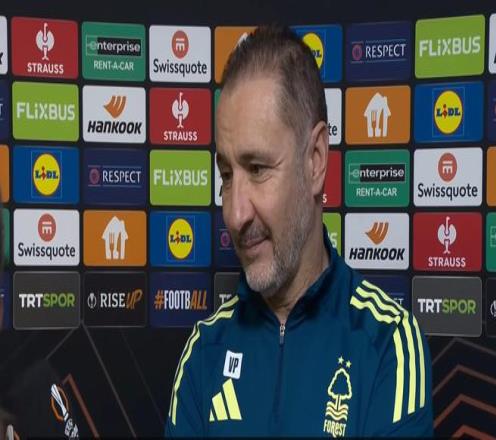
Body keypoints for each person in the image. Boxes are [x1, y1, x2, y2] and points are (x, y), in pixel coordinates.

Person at [166, 25, 433, 437]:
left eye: (257, 169)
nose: (236, 214)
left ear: (315, 160)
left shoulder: (386, 342)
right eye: (227, 175)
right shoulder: (203, 352)